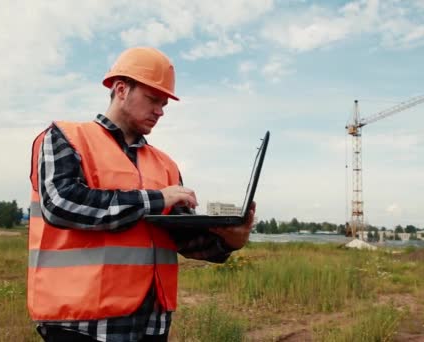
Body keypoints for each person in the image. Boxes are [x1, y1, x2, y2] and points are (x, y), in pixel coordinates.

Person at [27, 47, 255, 342]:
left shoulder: (165, 164)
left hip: (151, 323)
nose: (160, 111)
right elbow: (61, 203)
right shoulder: (66, 137)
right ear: (121, 90)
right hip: (83, 323)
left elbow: (179, 238)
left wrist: (228, 241)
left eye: (164, 104)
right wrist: (158, 199)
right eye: (153, 100)